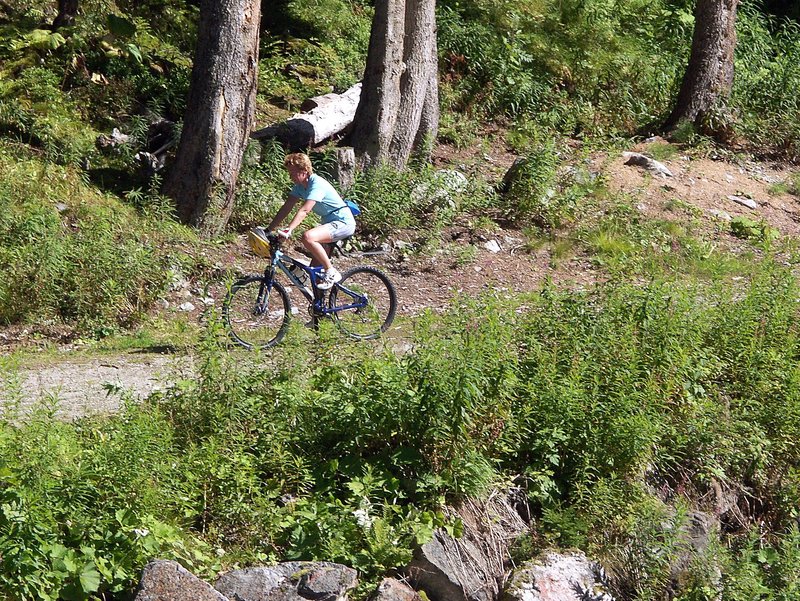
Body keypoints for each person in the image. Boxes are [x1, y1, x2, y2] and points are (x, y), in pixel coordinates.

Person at [266, 152, 355, 289]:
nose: (290, 177)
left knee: (308, 237)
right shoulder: (300, 187)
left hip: (343, 222)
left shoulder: (316, 183)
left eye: (293, 173)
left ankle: (331, 271)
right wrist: (269, 229)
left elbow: (305, 210)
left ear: (305, 171)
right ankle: (321, 308)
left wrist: (289, 229)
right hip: (329, 223)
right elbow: (287, 207)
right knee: (315, 276)